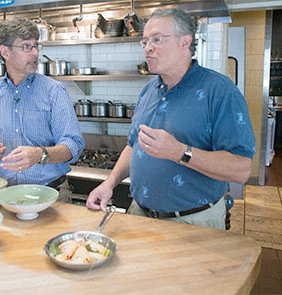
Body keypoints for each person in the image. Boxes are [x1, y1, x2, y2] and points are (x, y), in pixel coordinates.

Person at [86, 8, 255, 230]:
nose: (148, 48)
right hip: (139, 213)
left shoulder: (220, 91)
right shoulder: (149, 90)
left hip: (193, 221)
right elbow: (134, 144)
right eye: (145, 41)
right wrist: (109, 183)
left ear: (185, 42)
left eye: (157, 40)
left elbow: (241, 169)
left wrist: (179, 152)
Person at [0, 17, 85, 202]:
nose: (35, 53)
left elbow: (74, 146)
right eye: (26, 46)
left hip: (51, 194)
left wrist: (40, 154)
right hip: (2, 196)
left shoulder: (54, 91)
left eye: (36, 46)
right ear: (5, 52)